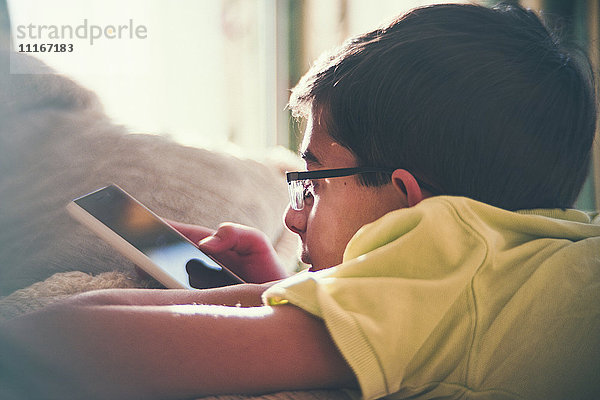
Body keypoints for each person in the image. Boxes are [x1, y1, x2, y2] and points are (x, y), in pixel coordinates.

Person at [1, 2, 599, 399]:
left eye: (311, 181)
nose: (293, 213)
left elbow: (64, 344)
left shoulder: (440, 254)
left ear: (406, 198)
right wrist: (279, 286)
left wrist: (262, 299)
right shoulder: (521, 254)